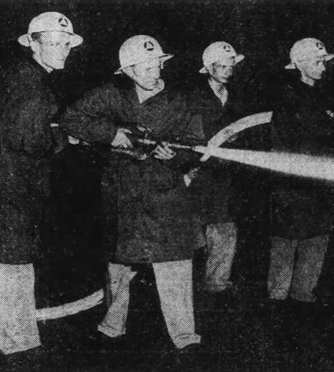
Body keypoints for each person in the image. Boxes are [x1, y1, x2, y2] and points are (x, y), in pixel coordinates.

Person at [61, 35, 204, 361]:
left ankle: (185, 337)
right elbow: (72, 118)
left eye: (158, 65)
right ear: (128, 70)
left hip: (165, 196)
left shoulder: (180, 100)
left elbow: (196, 142)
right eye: (146, 67)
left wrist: (175, 155)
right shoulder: (111, 96)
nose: (154, 71)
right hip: (123, 195)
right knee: (119, 267)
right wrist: (112, 135)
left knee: (174, 265)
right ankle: (112, 329)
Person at [0, 11, 81, 357]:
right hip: (13, 193)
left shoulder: (5, 77)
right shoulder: (36, 90)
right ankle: (18, 344)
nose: (62, 50)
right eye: (53, 43)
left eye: (66, 44)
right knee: (13, 266)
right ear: (34, 44)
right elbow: (28, 140)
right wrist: (61, 138)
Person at [266, 38, 334, 305]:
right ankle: (276, 299)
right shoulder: (289, 96)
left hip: (317, 184)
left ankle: (303, 293)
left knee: (316, 239)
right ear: (300, 64)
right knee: (287, 242)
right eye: (317, 62)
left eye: (324, 61)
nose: (323, 66)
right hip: (292, 185)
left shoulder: (320, 94)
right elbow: (325, 130)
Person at [184, 41, 246, 294]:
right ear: (209, 68)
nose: (228, 70)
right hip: (197, 171)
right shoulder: (193, 97)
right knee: (193, 229)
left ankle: (217, 282)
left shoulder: (235, 97)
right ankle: (183, 283)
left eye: (231, 66)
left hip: (224, 173)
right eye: (223, 66)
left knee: (224, 225)